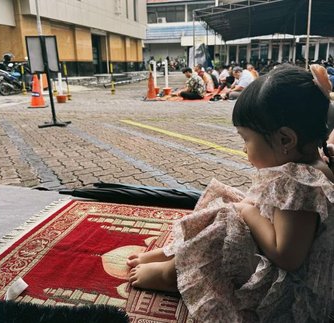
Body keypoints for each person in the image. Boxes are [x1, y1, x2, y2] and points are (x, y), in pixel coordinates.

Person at [127, 64, 334, 322]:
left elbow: (288, 257)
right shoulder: (306, 166)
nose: (244, 149)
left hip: (288, 289)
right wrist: (248, 208)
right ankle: (176, 253)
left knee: (227, 221)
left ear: (285, 140)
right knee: (227, 199)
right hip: (281, 256)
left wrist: (248, 212)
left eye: (246, 139)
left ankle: (173, 275)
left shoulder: (298, 183)